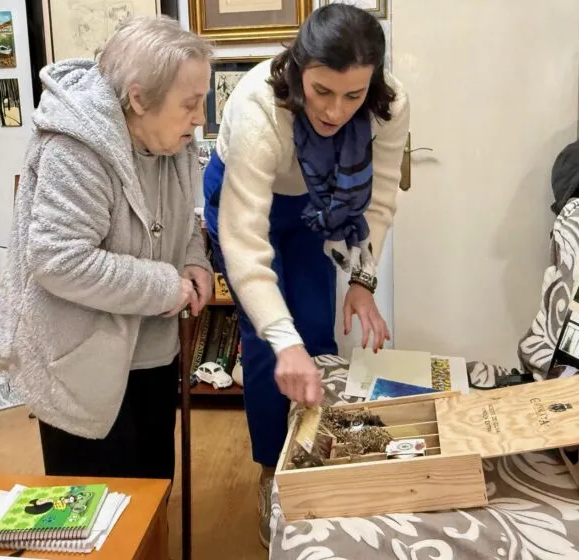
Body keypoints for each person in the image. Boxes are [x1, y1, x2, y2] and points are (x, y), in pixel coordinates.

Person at [202, 3, 410, 546]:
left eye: (353, 96)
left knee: (315, 333)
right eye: (321, 91)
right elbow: (245, 245)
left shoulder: (390, 105)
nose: (336, 111)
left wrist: (363, 283)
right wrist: (279, 334)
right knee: (273, 342)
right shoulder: (256, 106)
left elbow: (380, 199)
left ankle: (313, 462)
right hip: (244, 200)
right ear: (298, 70)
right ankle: (274, 472)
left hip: (312, 207)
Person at [0, 17, 214, 481]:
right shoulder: (78, 148)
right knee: (93, 507)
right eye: (190, 104)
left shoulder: (176, 145)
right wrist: (168, 285)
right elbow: (59, 259)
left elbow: (183, 217)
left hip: (150, 346)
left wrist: (194, 260)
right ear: (137, 98)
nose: (200, 117)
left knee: (150, 491)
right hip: (79, 358)